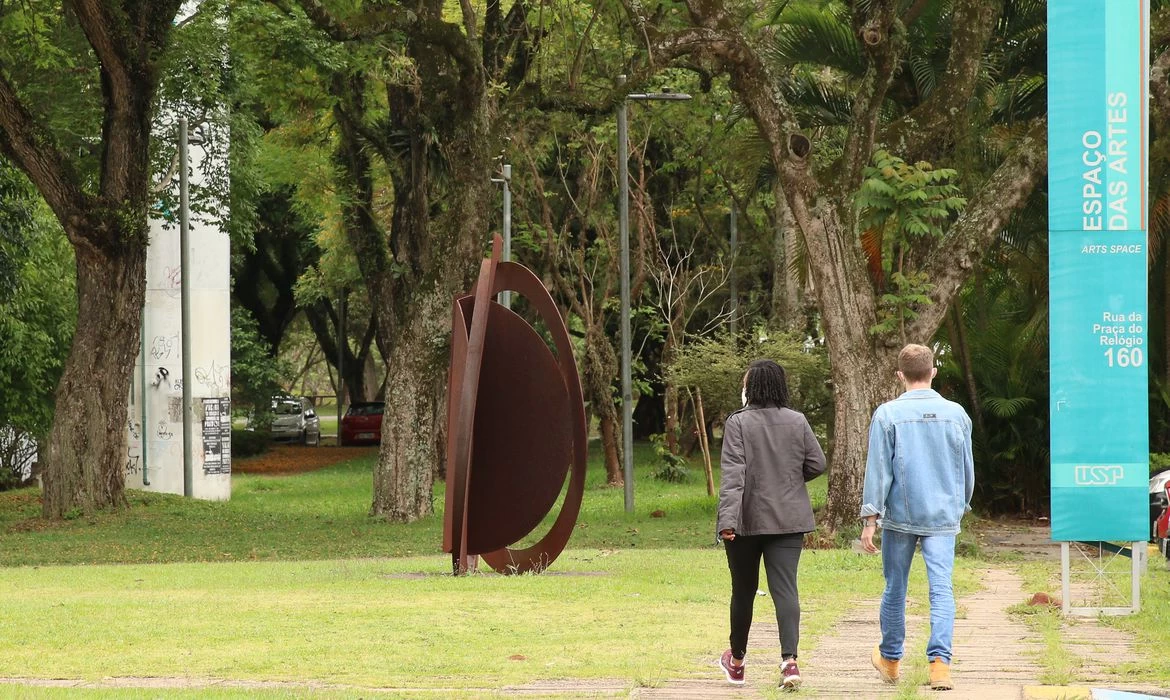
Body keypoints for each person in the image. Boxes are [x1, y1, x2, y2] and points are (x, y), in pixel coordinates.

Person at [860, 343, 974, 692]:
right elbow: (967, 469)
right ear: (933, 372)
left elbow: (879, 471)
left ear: (900, 375)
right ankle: (940, 666)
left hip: (900, 516)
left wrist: (870, 520)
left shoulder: (887, 414)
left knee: (895, 587)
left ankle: (891, 660)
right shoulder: (957, 414)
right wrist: (961, 505)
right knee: (941, 589)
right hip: (942, 515)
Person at [716, 359, 827, 691]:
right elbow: (817, 463)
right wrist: (790, 480)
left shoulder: (738, 423)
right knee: (785, 590)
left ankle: (737, 662)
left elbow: (733, 474)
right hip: (789, 521)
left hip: (745, 522)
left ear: (751, 388)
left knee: (743, 591)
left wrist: (727, 521)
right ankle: (790, 662)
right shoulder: (797, 420)